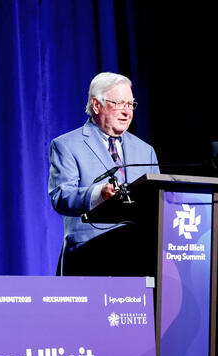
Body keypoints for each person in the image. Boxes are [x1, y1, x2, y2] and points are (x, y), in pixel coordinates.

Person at [48, 72, 159, 276]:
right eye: (119, 103)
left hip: (138, 258)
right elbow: (61, 196)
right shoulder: (67, 145)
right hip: (88, 256)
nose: (127, 112)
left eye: (130, 104)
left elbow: (157, 202)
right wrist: (98, 194)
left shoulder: (145, 150)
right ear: (97, 105)